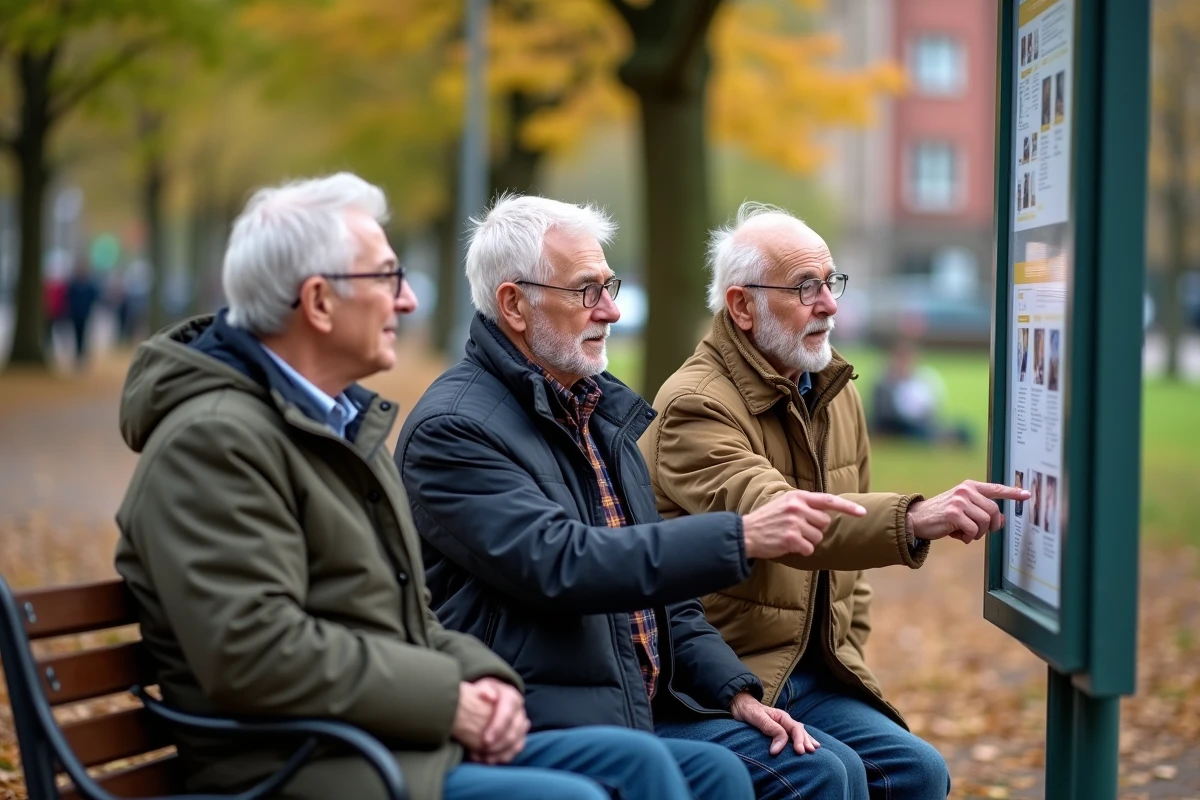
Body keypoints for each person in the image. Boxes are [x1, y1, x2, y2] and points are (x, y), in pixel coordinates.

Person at [114, 174, 723, 800]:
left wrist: (484, 682)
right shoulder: (215, 442)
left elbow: (407, 616)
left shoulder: (341, 430)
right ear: (319, 302)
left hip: (386, 741)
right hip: (304, 762)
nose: (406, 301)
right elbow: (254, 652)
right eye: (384, 278)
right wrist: (449, 701)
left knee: (641, 766)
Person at [397, 194, 870, 799]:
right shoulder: (456, 430)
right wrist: (741, 536)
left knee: (822, 767)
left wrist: (736, 692)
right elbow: (564, 563)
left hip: (638, 709)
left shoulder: (596, 411)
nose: (613, 312)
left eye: (609, 285)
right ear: (515, 304)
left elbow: (666, 599)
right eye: (586, 291)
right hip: (544, 723)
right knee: (789, 774)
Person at [640, 202, 1030, 800]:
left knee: (919, 773)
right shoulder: (695, 406)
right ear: (743, 307)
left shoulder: (831, 389)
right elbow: (786, 518)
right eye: (805, 287)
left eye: (831, 281)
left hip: (816, 670)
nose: (830, 304)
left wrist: (847, 649)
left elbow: (853, 576)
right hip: (720, 678)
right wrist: (917, 518)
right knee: (828, 774)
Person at [870, 340, 972, 446]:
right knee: (918, 432)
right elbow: (886, 416)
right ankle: (945, 439)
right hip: (899, 426)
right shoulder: (884, 382)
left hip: (923, 423)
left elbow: (931, 409)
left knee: (963, 429)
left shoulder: (920, 380)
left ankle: (950, 437)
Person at [65, 262, 101, 369]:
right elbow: (69, 297)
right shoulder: (74, 284)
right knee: (77, 335)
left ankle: (82, 354)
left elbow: (94, 296)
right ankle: (78, 354)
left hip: (85, 314)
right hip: (75, 314)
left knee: (84, 335)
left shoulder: (89, 285)